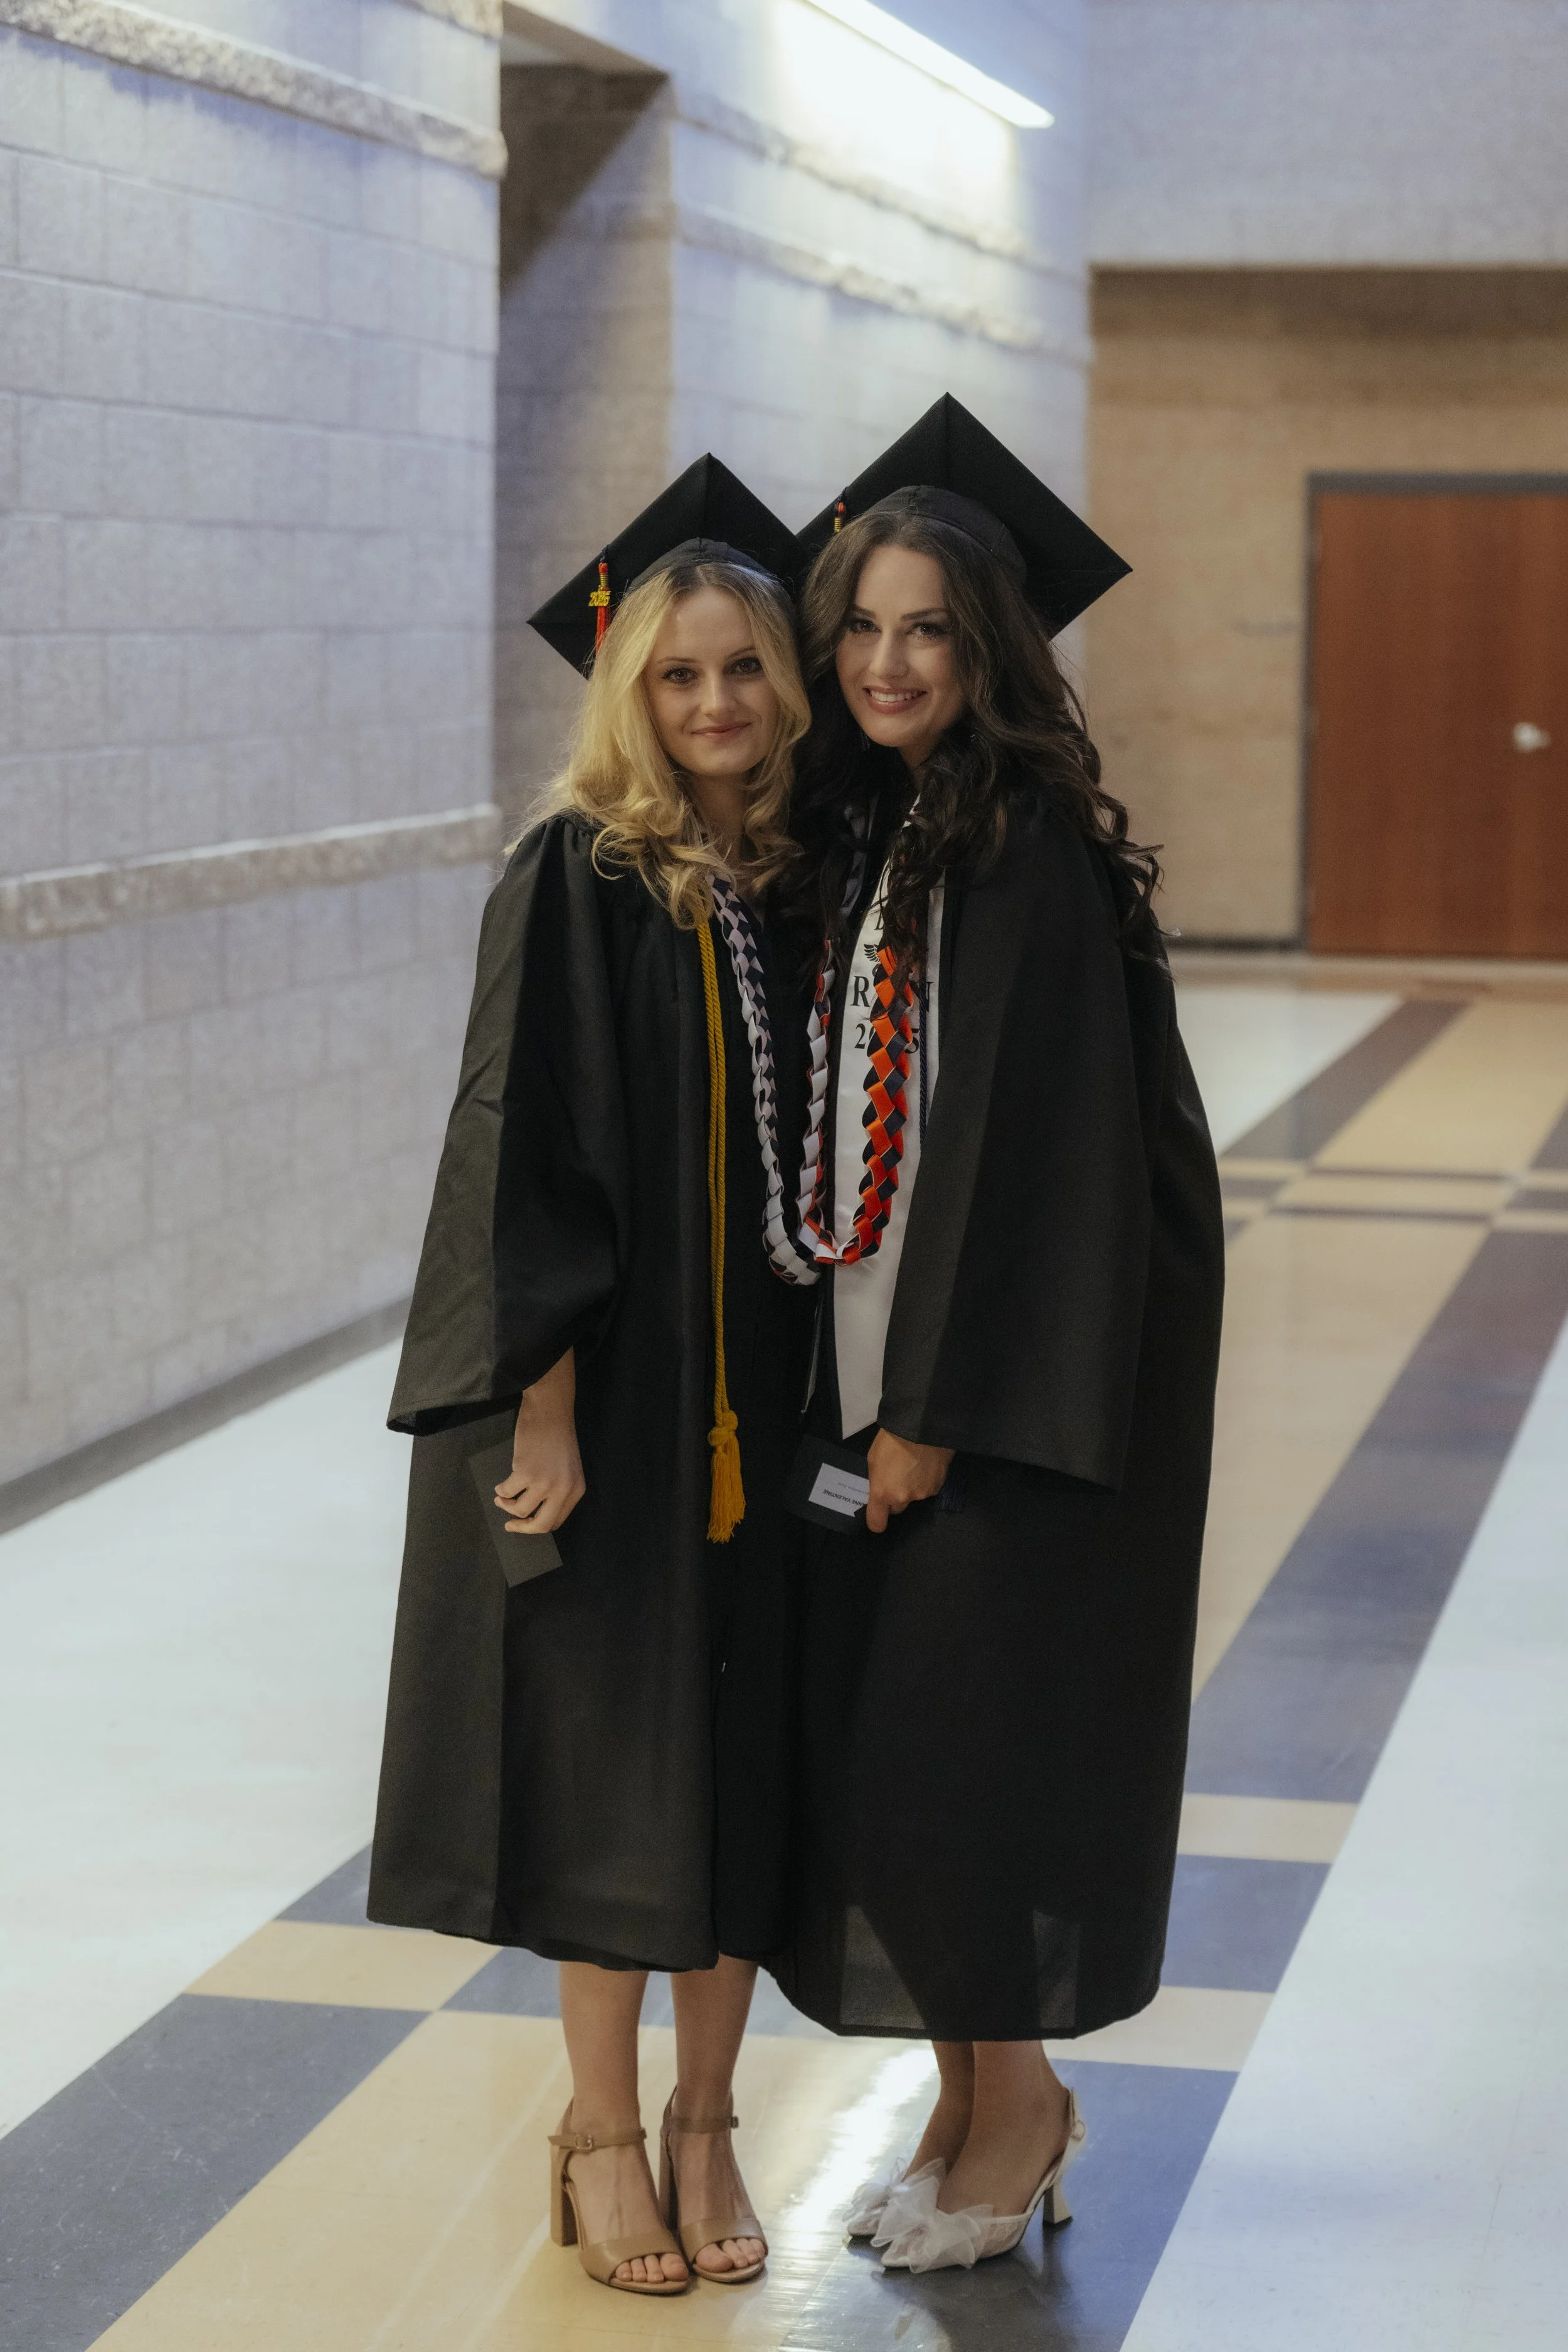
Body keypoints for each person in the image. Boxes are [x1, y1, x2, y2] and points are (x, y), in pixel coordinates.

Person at [767, 396, 1226, 2272]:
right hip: (890, 1380)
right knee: (898, 1759)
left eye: (926, 629)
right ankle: (968, 2104)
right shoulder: (897, 836)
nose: (885, 661)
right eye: (860, 626)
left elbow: (1018, 1164)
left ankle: (1017, 2100)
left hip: (990, 1406)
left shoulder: (1020, 848)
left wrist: (930, 1410)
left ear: (988, 650)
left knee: (947, 1762)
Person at [368, 457, 822, 2297]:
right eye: (676, 675)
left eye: (739, 671)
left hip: (773, 1386)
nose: (711, 704)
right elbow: (522, 1151)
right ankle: (597, 2128)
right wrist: (539, 1405)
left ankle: (714, 2115)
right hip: (624, 1402)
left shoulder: (800, 875)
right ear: (626, 690)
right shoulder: (580, 871)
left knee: (740, 1755)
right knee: (613, 1765)